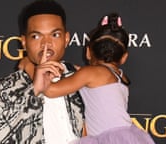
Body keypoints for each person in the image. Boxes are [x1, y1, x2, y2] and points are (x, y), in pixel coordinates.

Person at [33, 13, 156, 144]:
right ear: (124, 57)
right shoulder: (118, 76)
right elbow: (77, 70)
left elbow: (51, 91)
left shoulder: (90, 73)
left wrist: (38, 68)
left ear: (88, 52)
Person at [0, 0, 85, 143]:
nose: (46, 43)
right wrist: (33, 92)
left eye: (55, 35)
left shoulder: (82, 83)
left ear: (66, 38)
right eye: (36, 36)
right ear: (24, 42)